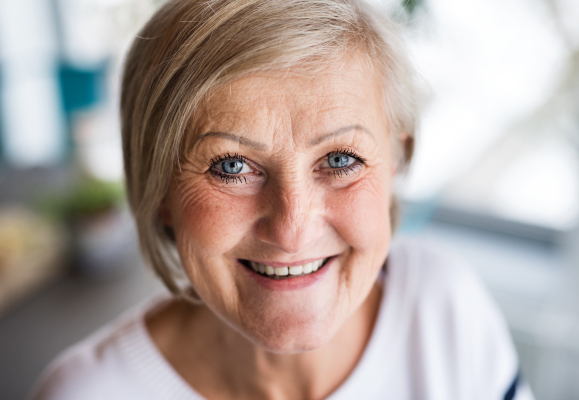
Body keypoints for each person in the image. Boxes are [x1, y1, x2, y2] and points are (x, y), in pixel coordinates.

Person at [30, 0, 535, 399]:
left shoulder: (445, 309)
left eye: (340, 160)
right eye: (231, 166)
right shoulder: (83, 393)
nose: (293, 229)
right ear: (159, 190)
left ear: (396, 161)